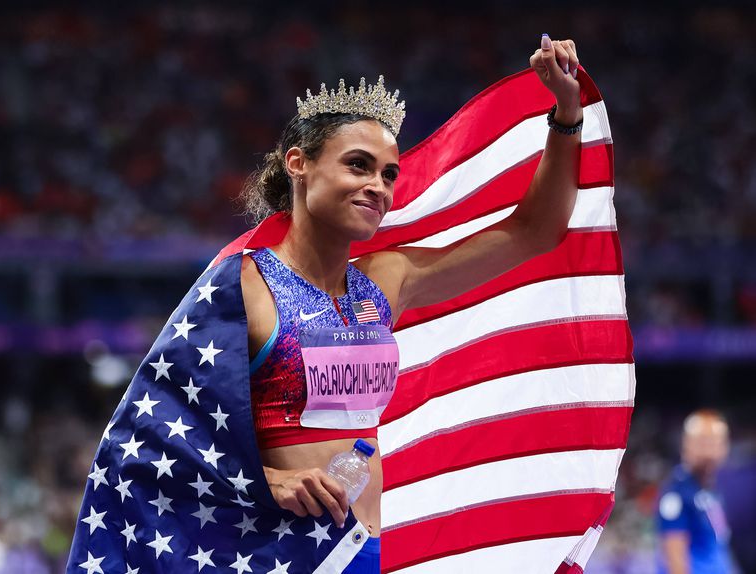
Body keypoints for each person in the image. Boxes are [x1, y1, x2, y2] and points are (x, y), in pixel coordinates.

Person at [66, 33, 583, 574]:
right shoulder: (243, 285)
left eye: (388, 174)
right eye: (358, 165)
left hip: (366, 551)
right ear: (298, 164)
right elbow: (148, 441)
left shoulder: (387, 282)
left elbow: (535, 232)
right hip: (282, 554)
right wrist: (268, 481)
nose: (378, 186)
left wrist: (566, 116)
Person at [656, 409, 737, 574]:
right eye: (703, 443)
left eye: (716, 443)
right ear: (686, 445)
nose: (710, 452)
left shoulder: (713, 488)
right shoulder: (676, 494)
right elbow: (675, 561)